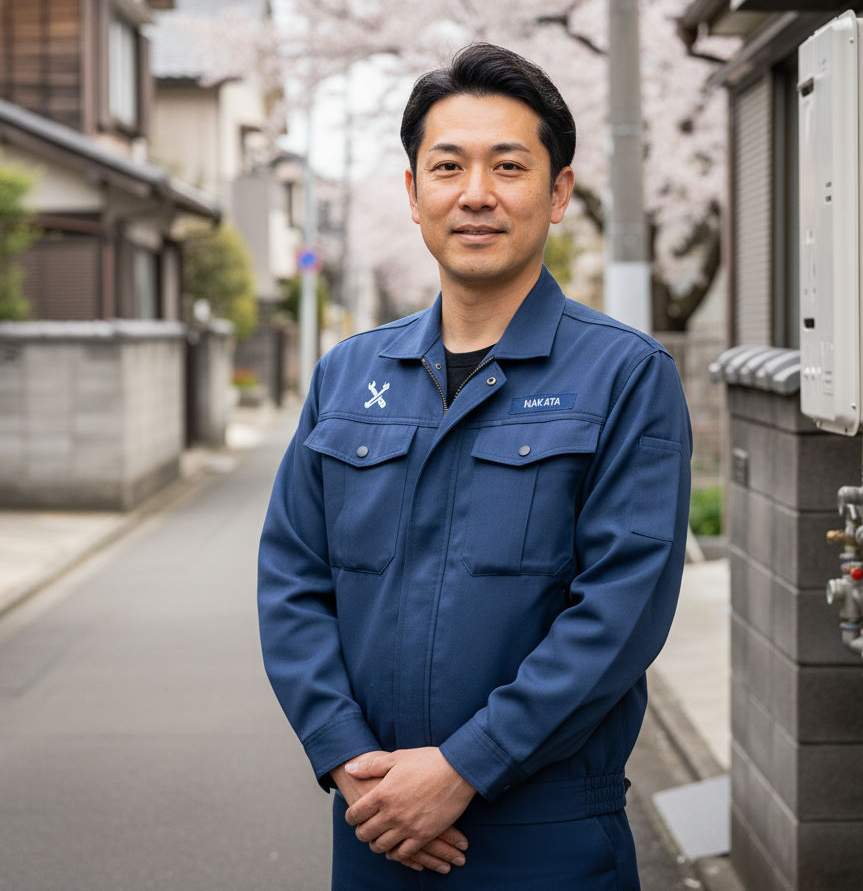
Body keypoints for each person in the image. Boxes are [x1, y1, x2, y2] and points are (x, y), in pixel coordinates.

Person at [258, 43, 691, 889]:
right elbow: (292, 581)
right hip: (376, 825)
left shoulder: (625, 375)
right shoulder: (349, 376)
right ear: (414, 194)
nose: (476, 194)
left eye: (509, 166)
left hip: (547, 831)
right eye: (447, 166)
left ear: (558, 193)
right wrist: (346, 758)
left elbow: (620, 612)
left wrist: (463, 769)